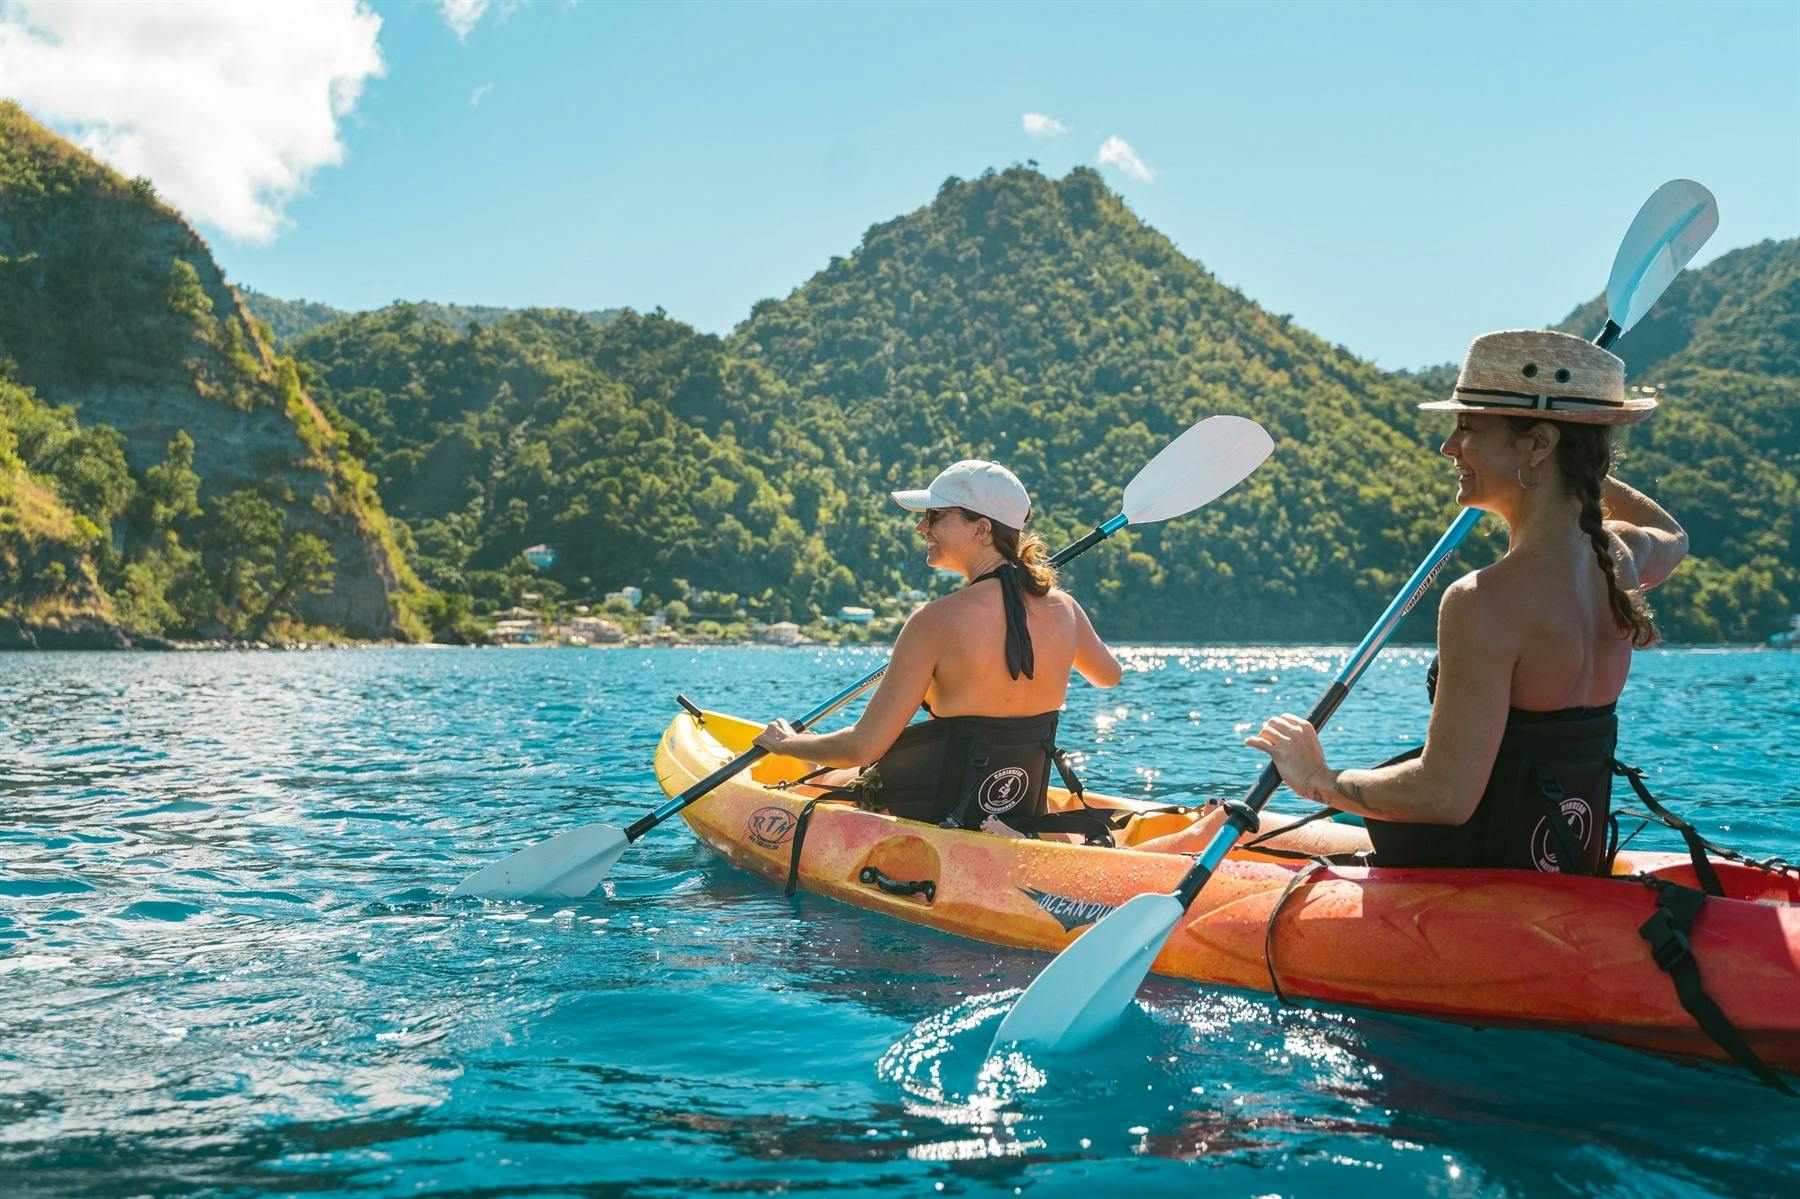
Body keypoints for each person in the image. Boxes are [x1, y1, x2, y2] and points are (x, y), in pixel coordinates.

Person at [1145, 329, 1687, 873]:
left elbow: (1444, 796)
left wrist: (1314, 778)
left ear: (1537, 444)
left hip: (1469, 880)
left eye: (1468, 427)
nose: (1449, 447)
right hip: (1561, 861)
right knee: (1227, 824)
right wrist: (1578, 464)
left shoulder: (1484, 600)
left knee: (1222, 830)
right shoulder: (1618, 559)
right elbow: (1673, 536)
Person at [753, 459, 1122, 835]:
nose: (921, 527)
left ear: (982, 529)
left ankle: (807, 762)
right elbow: (1109, 676)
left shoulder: (934, 621)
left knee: (823, 775)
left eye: (934, 516)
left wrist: (787, 743)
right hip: (1020, 811)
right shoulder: (1065, 609)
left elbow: (863, 747)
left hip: (940, 821)